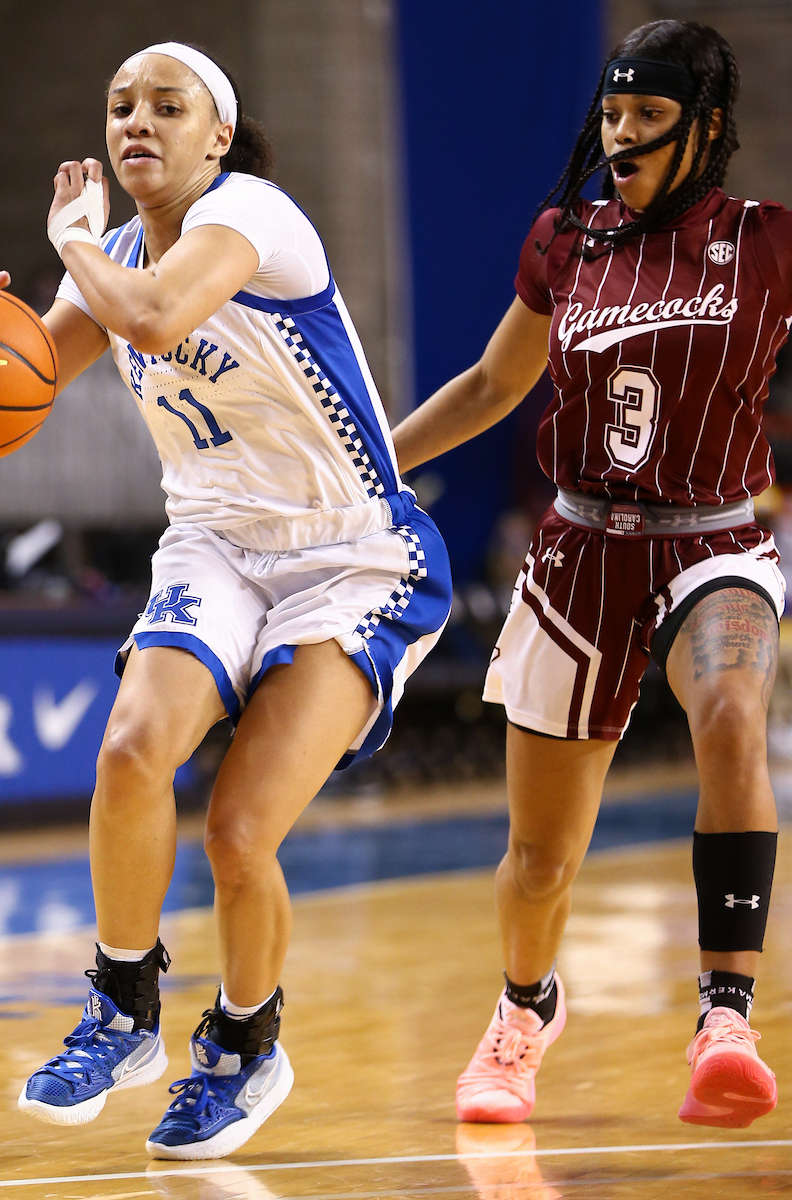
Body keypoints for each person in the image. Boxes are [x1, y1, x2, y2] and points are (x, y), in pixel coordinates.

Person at [0, 42, 451, 1158]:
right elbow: (33, 381)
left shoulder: (258, 216)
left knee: (241, 833)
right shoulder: (103, 254)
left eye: (166, 105)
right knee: (129, 752)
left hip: (349, 552)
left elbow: (150, 318)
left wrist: (65, 247)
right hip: (213, 540)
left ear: (219, 136)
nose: (136, 122)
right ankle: (122, 1009)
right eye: (119, 106)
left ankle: (248, 1045)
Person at [392, 19, 785, 1130]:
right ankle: (525, 1012)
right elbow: (486, 388)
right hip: (578, 550)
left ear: (704, 130)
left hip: (715, 541)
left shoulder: (769, 240)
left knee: (730, 720)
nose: (623, 137)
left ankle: (725, 1016)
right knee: (540, 857)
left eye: (649, 118)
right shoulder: (567, 238)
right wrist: (363, 462)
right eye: (612, 116)